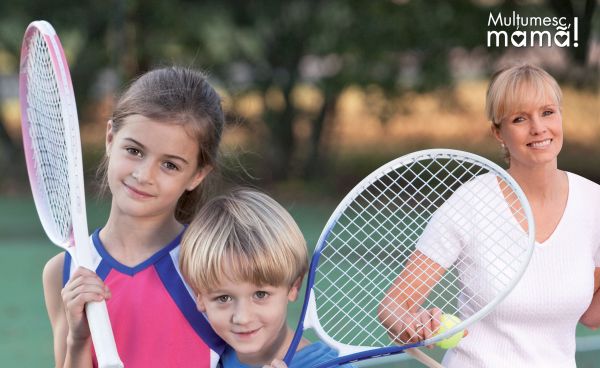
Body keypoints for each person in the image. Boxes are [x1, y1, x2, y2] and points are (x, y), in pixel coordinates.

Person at [378, 64, 600, 367]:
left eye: (547, 112)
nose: (538, 128)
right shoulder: (471, 203)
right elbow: (394, 305)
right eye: (520, 118)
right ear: (498, 132)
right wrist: (412, 324)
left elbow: (591, 316)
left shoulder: (593, 203)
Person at [42, 66, 227, 368]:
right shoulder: (64, 272)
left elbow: (281, 347)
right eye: (134, 151)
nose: (143, 175)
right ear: (110, 138)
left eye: (170, 165)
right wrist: (78, 340)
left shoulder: (214, 262)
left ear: (197, 175)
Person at [179, 188, 351, 368]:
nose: (242, 318)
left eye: (260, 295)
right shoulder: (211, 357)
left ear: (294, 287)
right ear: (199, 296)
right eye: (224, 298)